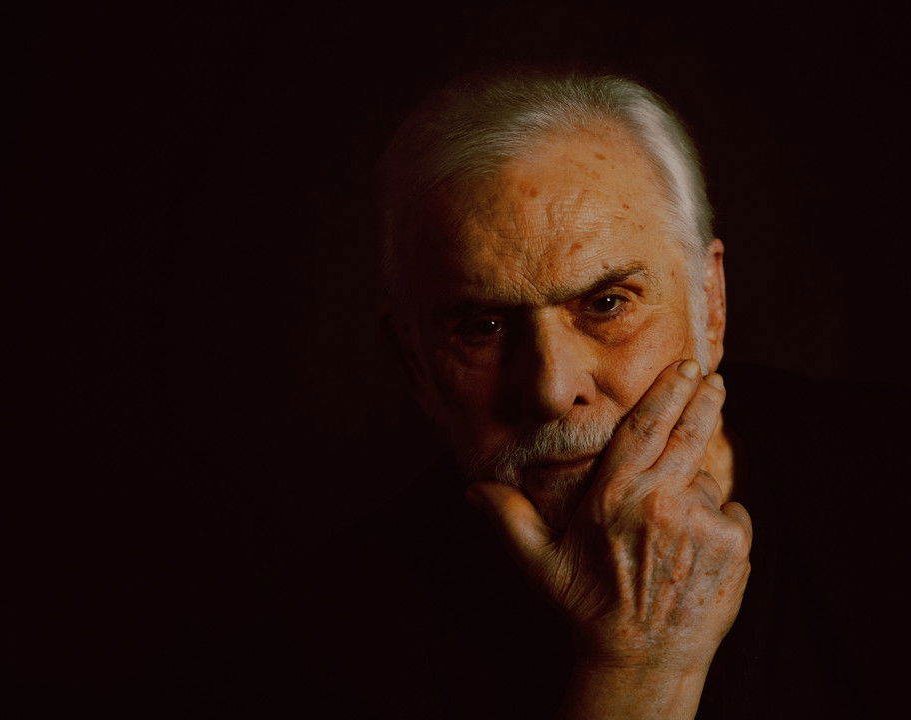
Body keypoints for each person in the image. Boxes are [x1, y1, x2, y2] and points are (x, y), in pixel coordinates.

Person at [250, 73, 906, 719]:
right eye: (483, 327)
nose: (551, 389)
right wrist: (639, 668)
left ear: (710, 303)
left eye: (607, 303)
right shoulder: (322, 643)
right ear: (413, 363)